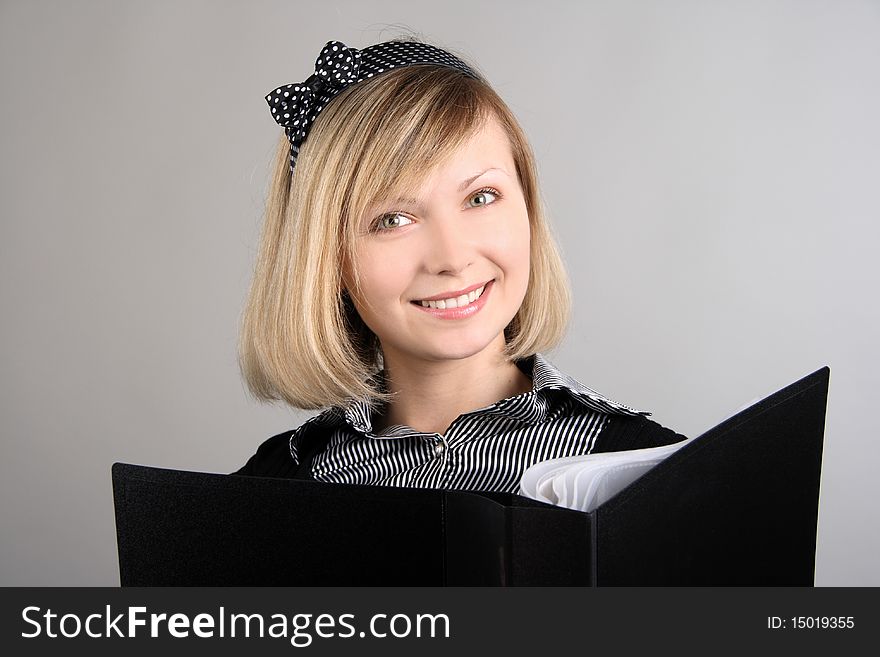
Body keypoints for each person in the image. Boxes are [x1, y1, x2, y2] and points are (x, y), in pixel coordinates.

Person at [235, 38, 686, 492]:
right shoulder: (273, 486)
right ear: (326, 258)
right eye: (392, 219)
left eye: (480, 197)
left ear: (527, 207)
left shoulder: (650, 475)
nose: (452, 258)